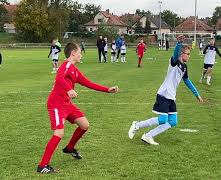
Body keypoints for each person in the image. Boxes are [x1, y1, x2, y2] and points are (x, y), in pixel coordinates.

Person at [37, 42, 119, 174]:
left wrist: (107, 90)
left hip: (67, 104)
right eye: (80, 52)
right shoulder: (66, 65)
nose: (81, 55)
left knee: (84, 125)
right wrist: (69, 89)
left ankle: (69, 148)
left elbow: (88, 83)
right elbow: (59, 77)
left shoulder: (74, 70)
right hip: (56, 104)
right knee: (59, 133)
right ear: (73, 53)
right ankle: (42, 165)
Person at [128, 35, 203, 145]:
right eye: (188, 54)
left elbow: (187, 81)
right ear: (182, 54)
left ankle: (148, 136)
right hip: (164, 94)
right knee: (163, 119)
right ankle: (137, 125)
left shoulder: (185, 67)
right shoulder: (174, 62)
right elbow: (175, 54)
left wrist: (197, 94)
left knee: (173, 121)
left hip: (171, 96)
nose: (189, 56)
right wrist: (179, 43)